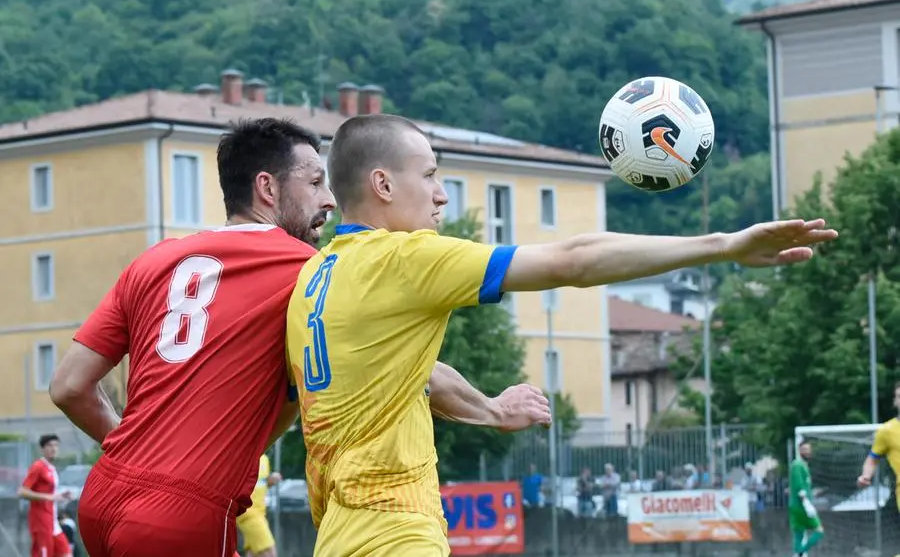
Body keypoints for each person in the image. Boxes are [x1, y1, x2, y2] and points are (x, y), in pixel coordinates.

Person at [285, 112, 838, 556]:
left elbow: (412, 373)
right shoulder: (404, 259)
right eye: (429, 175)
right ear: (382, 184)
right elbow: (574, 261)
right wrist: (724, 246)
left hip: (337, 533)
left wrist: (491, 410)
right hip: (397, 533)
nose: (441, 195)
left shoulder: (315, 277)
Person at [50, 117, 551, 557]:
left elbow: (69, 387)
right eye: (314, 182)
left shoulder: (152, 260)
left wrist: (139, 457)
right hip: (183, 511)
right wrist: (491, 409)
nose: (330, 199)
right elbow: (405, 367)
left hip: (105, 494)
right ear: (267, 189)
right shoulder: (311, 271)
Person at [18, 434, 73, 557]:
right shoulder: (38, 466)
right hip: (41, 522)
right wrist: (50, 497)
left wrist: (60, 495)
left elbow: (50, 493)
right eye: (49, 445)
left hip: (53, 522)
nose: (53, 449)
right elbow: (22, 492)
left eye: (56, 445)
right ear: (42, 449)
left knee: (66, 554)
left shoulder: (51, 468)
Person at [236, 454, 282, 557]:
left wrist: (270, 480)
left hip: (260, 513)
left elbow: (259, 484)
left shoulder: (264, 459)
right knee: (269, 552)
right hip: (248, 513)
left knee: (253, 553)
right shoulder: (243, 455)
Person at [789, 441, 824, 556]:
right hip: (801, 506)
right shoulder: (798, 465)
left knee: (799, 534)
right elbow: (799, 486)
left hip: (796, 506)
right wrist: (806, 503)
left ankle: (798, 553)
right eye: (804, 449)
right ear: (799, 451)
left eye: (808, 449)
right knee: (819, 531)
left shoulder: (801, 465)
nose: (807, 452)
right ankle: (800, 552)